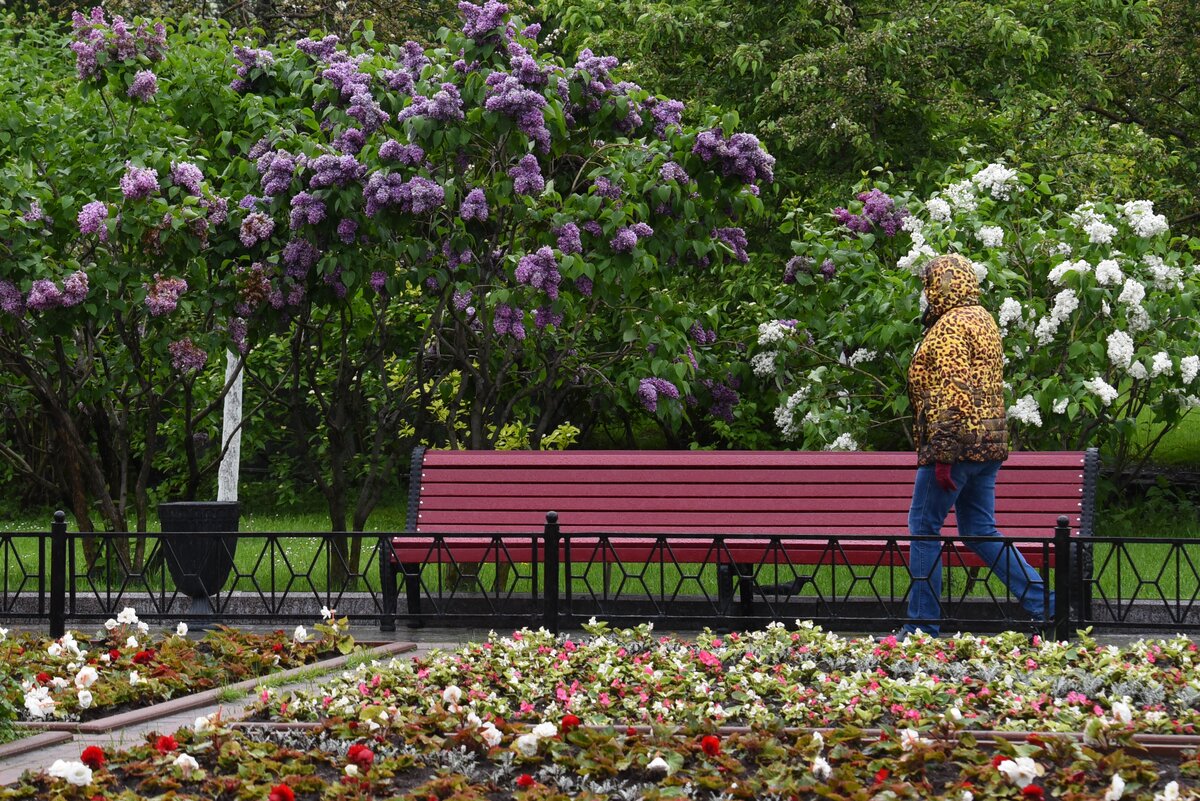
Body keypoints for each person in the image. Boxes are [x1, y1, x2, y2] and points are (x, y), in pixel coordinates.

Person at [901, 253, 1054, 636]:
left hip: (956, 448)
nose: (927, 293)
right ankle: (1046, 605)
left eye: (929, 285)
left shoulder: (950, 326)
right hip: (988, 446)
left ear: (940, 285)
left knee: (923, 528)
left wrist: (943, 456)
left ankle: (922, 627)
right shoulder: (982, 318)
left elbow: (953, 392)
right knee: (979, 529)